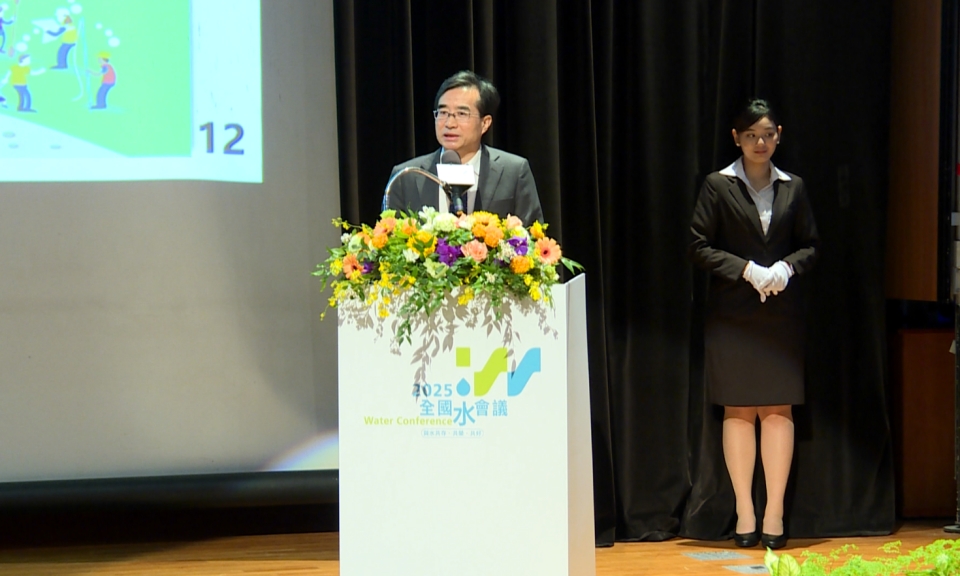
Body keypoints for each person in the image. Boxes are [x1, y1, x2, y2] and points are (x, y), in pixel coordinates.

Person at [689, 99, 819, 550]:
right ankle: (745, 511)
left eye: (767, 134)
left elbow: (811, 245)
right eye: (750, 136)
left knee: (779, 409)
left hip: (781, 314)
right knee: (739, 409)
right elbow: (698, 245)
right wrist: (745, 269)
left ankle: (774, 513)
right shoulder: (717, 184)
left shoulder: (793, 187)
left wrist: (786, 268)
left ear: (779, 134)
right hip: (733, 314)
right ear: (736, 138)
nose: (759, 143)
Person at [385, 70, 544, 226]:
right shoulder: (406, 176)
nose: (449, 123)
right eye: (443, 113)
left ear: (485, 123)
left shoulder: (514, 172)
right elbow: (389, 238)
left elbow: (533, 236)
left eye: (461, 114)